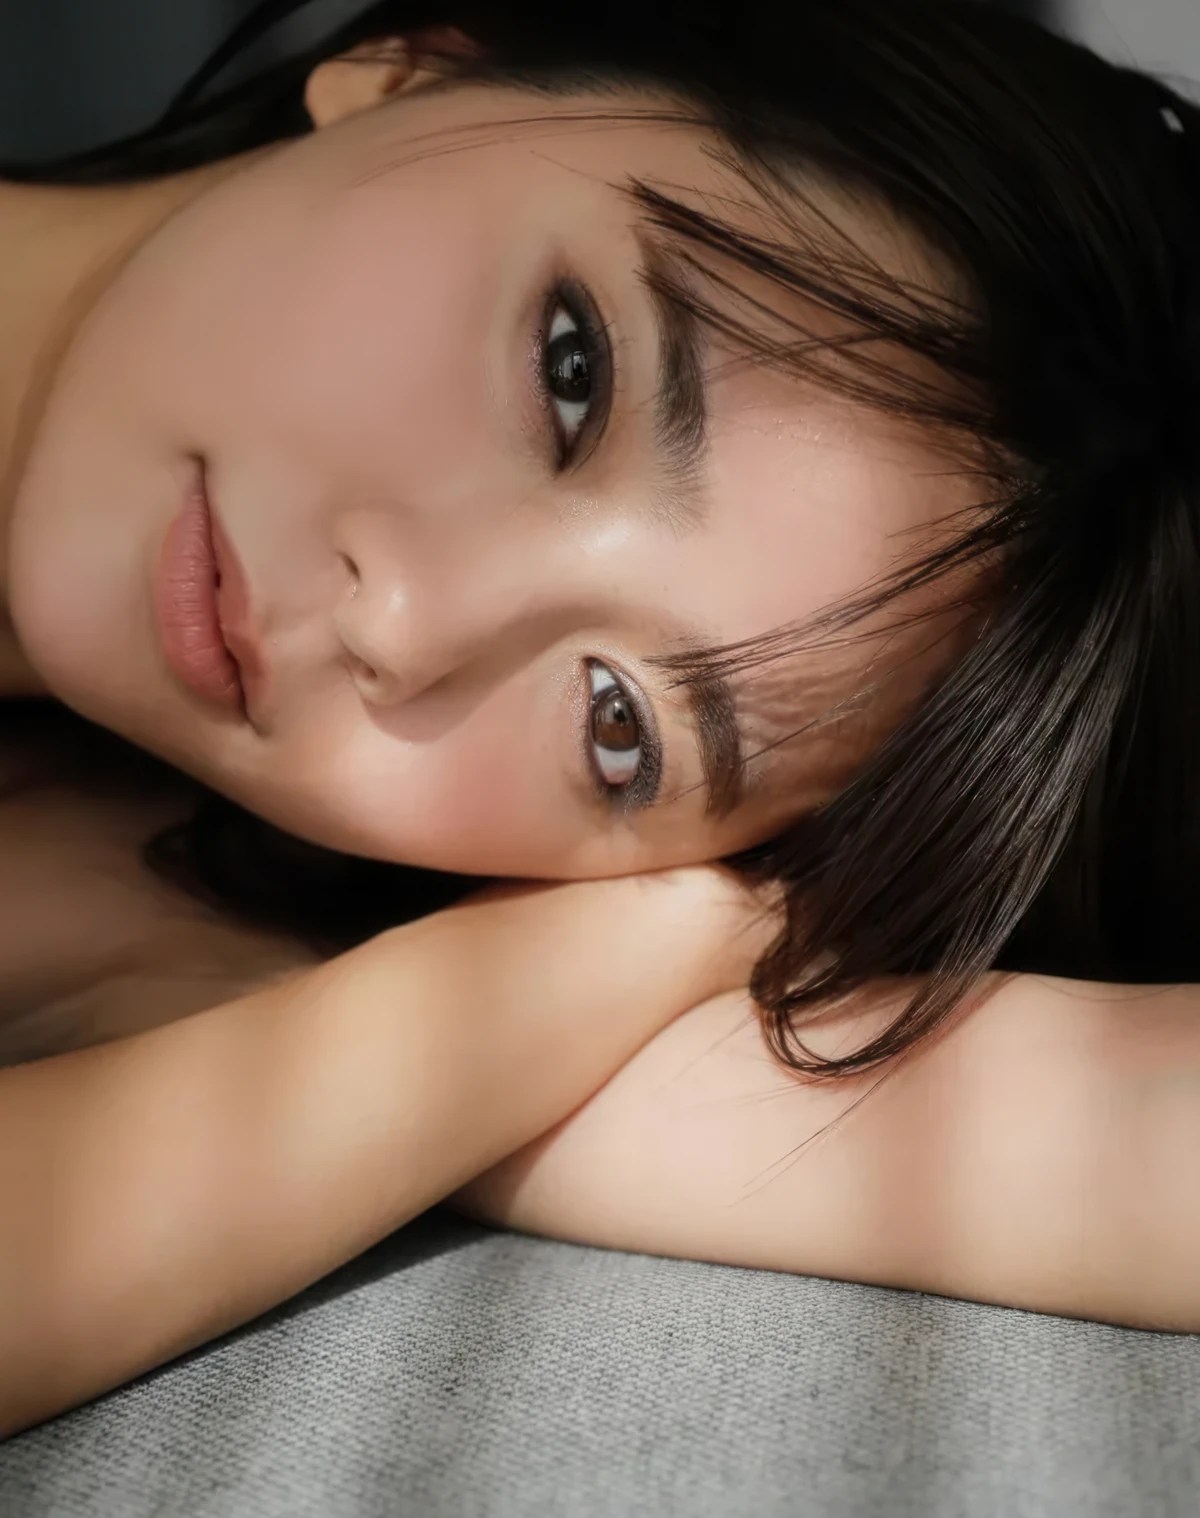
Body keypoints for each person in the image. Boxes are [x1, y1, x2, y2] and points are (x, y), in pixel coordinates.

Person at [2, 0, 1199, 1436]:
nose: (404, 626)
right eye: (574, 373)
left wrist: (603, 961)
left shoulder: (160, 908)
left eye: (619, 729)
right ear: (420, 64)